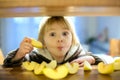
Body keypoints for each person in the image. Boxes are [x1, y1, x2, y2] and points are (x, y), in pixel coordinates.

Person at [3, 16, 103, 67]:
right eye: (52, 34)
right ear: (43, 42)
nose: (60, 39)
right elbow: (8, 65)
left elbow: (101, 63)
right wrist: (19, 54)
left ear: (72, 38)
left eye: (65, 34)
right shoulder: (36, 56)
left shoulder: (78, 54)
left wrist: (91, 59)